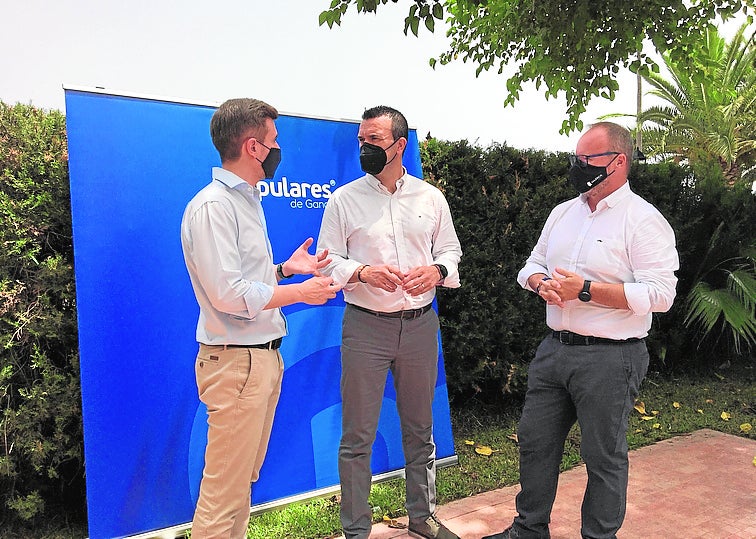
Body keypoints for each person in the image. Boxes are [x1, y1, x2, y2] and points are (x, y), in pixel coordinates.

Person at [483, 122, 679, 539]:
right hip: (554, 350)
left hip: (611, 357)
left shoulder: (643, 221)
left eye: (588, 159)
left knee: (602, 456)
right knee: (535, 443)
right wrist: (540, 284)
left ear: (619, 162)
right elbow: (531, 264)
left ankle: (598, 536)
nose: (578, 166)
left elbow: (661, 294)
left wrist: (585, 291)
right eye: (576, 157)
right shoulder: (563, 212)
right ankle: (529, 529)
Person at [181, 97, 340, 539]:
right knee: (222, 494)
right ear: (253, 147)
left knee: (239, 486)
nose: (277, 149)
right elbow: (228, 294)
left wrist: (286, 270)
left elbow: (245, 280)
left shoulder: (245, 202)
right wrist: (299, 293)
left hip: (260, 361)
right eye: (273, 140)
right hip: (237, 365)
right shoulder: (214, 206)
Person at [316, 106, 463, 539]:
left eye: (373, 141)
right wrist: (361, 273)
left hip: (419, 325)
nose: (364, 148)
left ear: (400, 145)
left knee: (421, 429)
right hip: (365, 326)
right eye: (361, 140)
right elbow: (327, 264)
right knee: (357, 436)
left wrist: (436, 271)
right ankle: (356, 530)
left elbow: (451, 252)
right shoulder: (344, 199)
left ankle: (423, 518)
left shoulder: (431, 198)